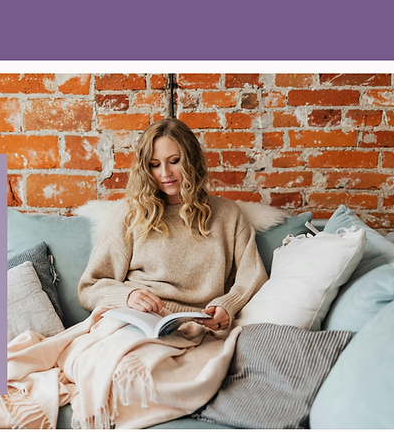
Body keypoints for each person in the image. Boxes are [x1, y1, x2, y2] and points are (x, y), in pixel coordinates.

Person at [78, 118, 267, 332]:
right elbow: (90, 287)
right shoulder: (131, 213)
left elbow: (253, 276)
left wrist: (227, 306)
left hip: (195, 326)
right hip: (135, 320)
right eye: (155, 165)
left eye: (174, 161)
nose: (165, 173)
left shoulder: (228, 214)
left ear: (191, 161)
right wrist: (127, 296)